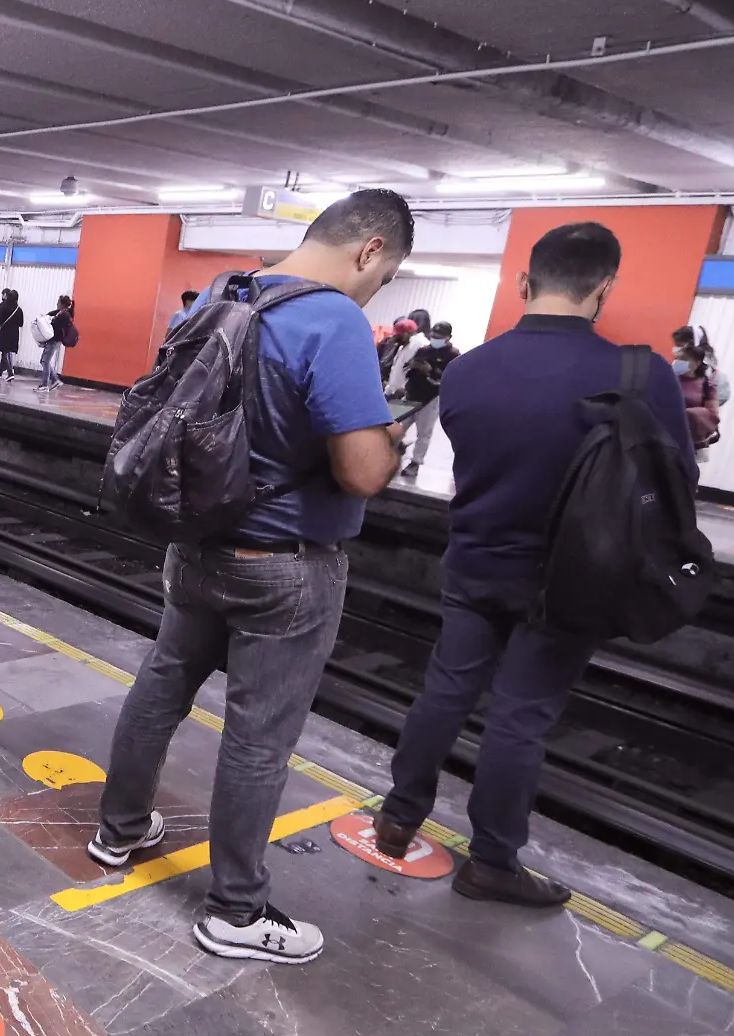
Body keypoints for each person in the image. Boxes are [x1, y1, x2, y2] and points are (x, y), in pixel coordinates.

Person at [87, 189, 415, 965]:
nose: (378, 288)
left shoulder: (222, 294)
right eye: (387, 274)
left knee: (161, 687)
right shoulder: (332, 318)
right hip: (284, 569)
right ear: (369, 249)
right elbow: (362, 471)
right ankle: (235, 910)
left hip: (195, 546)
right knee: (258, 740)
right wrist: (392, 438)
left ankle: (119, 830)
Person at [373, 222, 695, 907]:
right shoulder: (642, 375)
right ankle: (491, 862)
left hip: (475, 560)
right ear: (605, 288)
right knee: (520, 716)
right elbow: (676, 484)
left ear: (524, 283)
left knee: (446, 690)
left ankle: (398, 819)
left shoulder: (467, 370)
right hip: (574, 582)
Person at [398, 321, 459, 477]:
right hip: (412, 394)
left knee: (424, 433)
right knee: (398, 428)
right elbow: (407, 369)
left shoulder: (453, 355)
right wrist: (413, 367)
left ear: (448, 337)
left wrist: (431, 371)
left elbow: (450, 378)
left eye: (439, 336)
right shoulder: (423, 350)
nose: (435, 339)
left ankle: (415, 462)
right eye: (433, 335)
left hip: (431, 397)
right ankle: (396, 450)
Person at [673, 325, 722, 460]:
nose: (676, 350)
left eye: (680, 345)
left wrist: (691, 413)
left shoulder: (708, 377)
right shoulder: (674, 374)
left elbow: (713, 411)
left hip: (693, 434)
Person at [385, 313, 430, 396]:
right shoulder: (403, 346)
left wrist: (405, 389)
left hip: (406, 395)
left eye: (397, 336)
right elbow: (396, 369)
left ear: (406, 334)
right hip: (394, 394)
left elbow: (417, 372)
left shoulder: (421, 344)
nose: (395, 339)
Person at [39, 295, 72, 391]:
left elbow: (55, 328)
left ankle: (45, 384)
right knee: (44, 361)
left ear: (62, 304)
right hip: (54, 340)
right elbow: (51, 314)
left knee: (45, 361)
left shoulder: (64, 315)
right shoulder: (62, 313)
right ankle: (54, 380)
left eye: (58, 302)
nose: (57, 304)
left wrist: (50, 323)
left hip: (54, 340)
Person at [0, 288, 23, 379]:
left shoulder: (4, 307)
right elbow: (21, 323)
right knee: (7, 352)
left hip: (5, 332)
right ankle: (0, 372)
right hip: (14, 334)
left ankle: (10, 372)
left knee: (4, 352)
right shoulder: (19, 310)